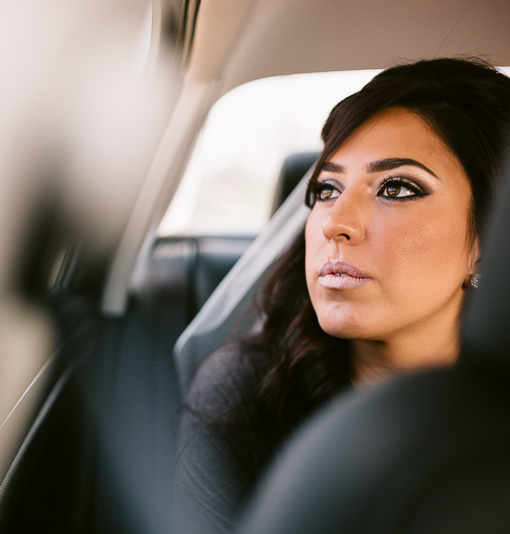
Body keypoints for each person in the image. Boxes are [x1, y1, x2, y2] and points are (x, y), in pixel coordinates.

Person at [173, 57, 510, 534]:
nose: (335, 222)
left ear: (490, 242)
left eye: (396, 187)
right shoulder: (245, 392)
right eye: (327, 189)